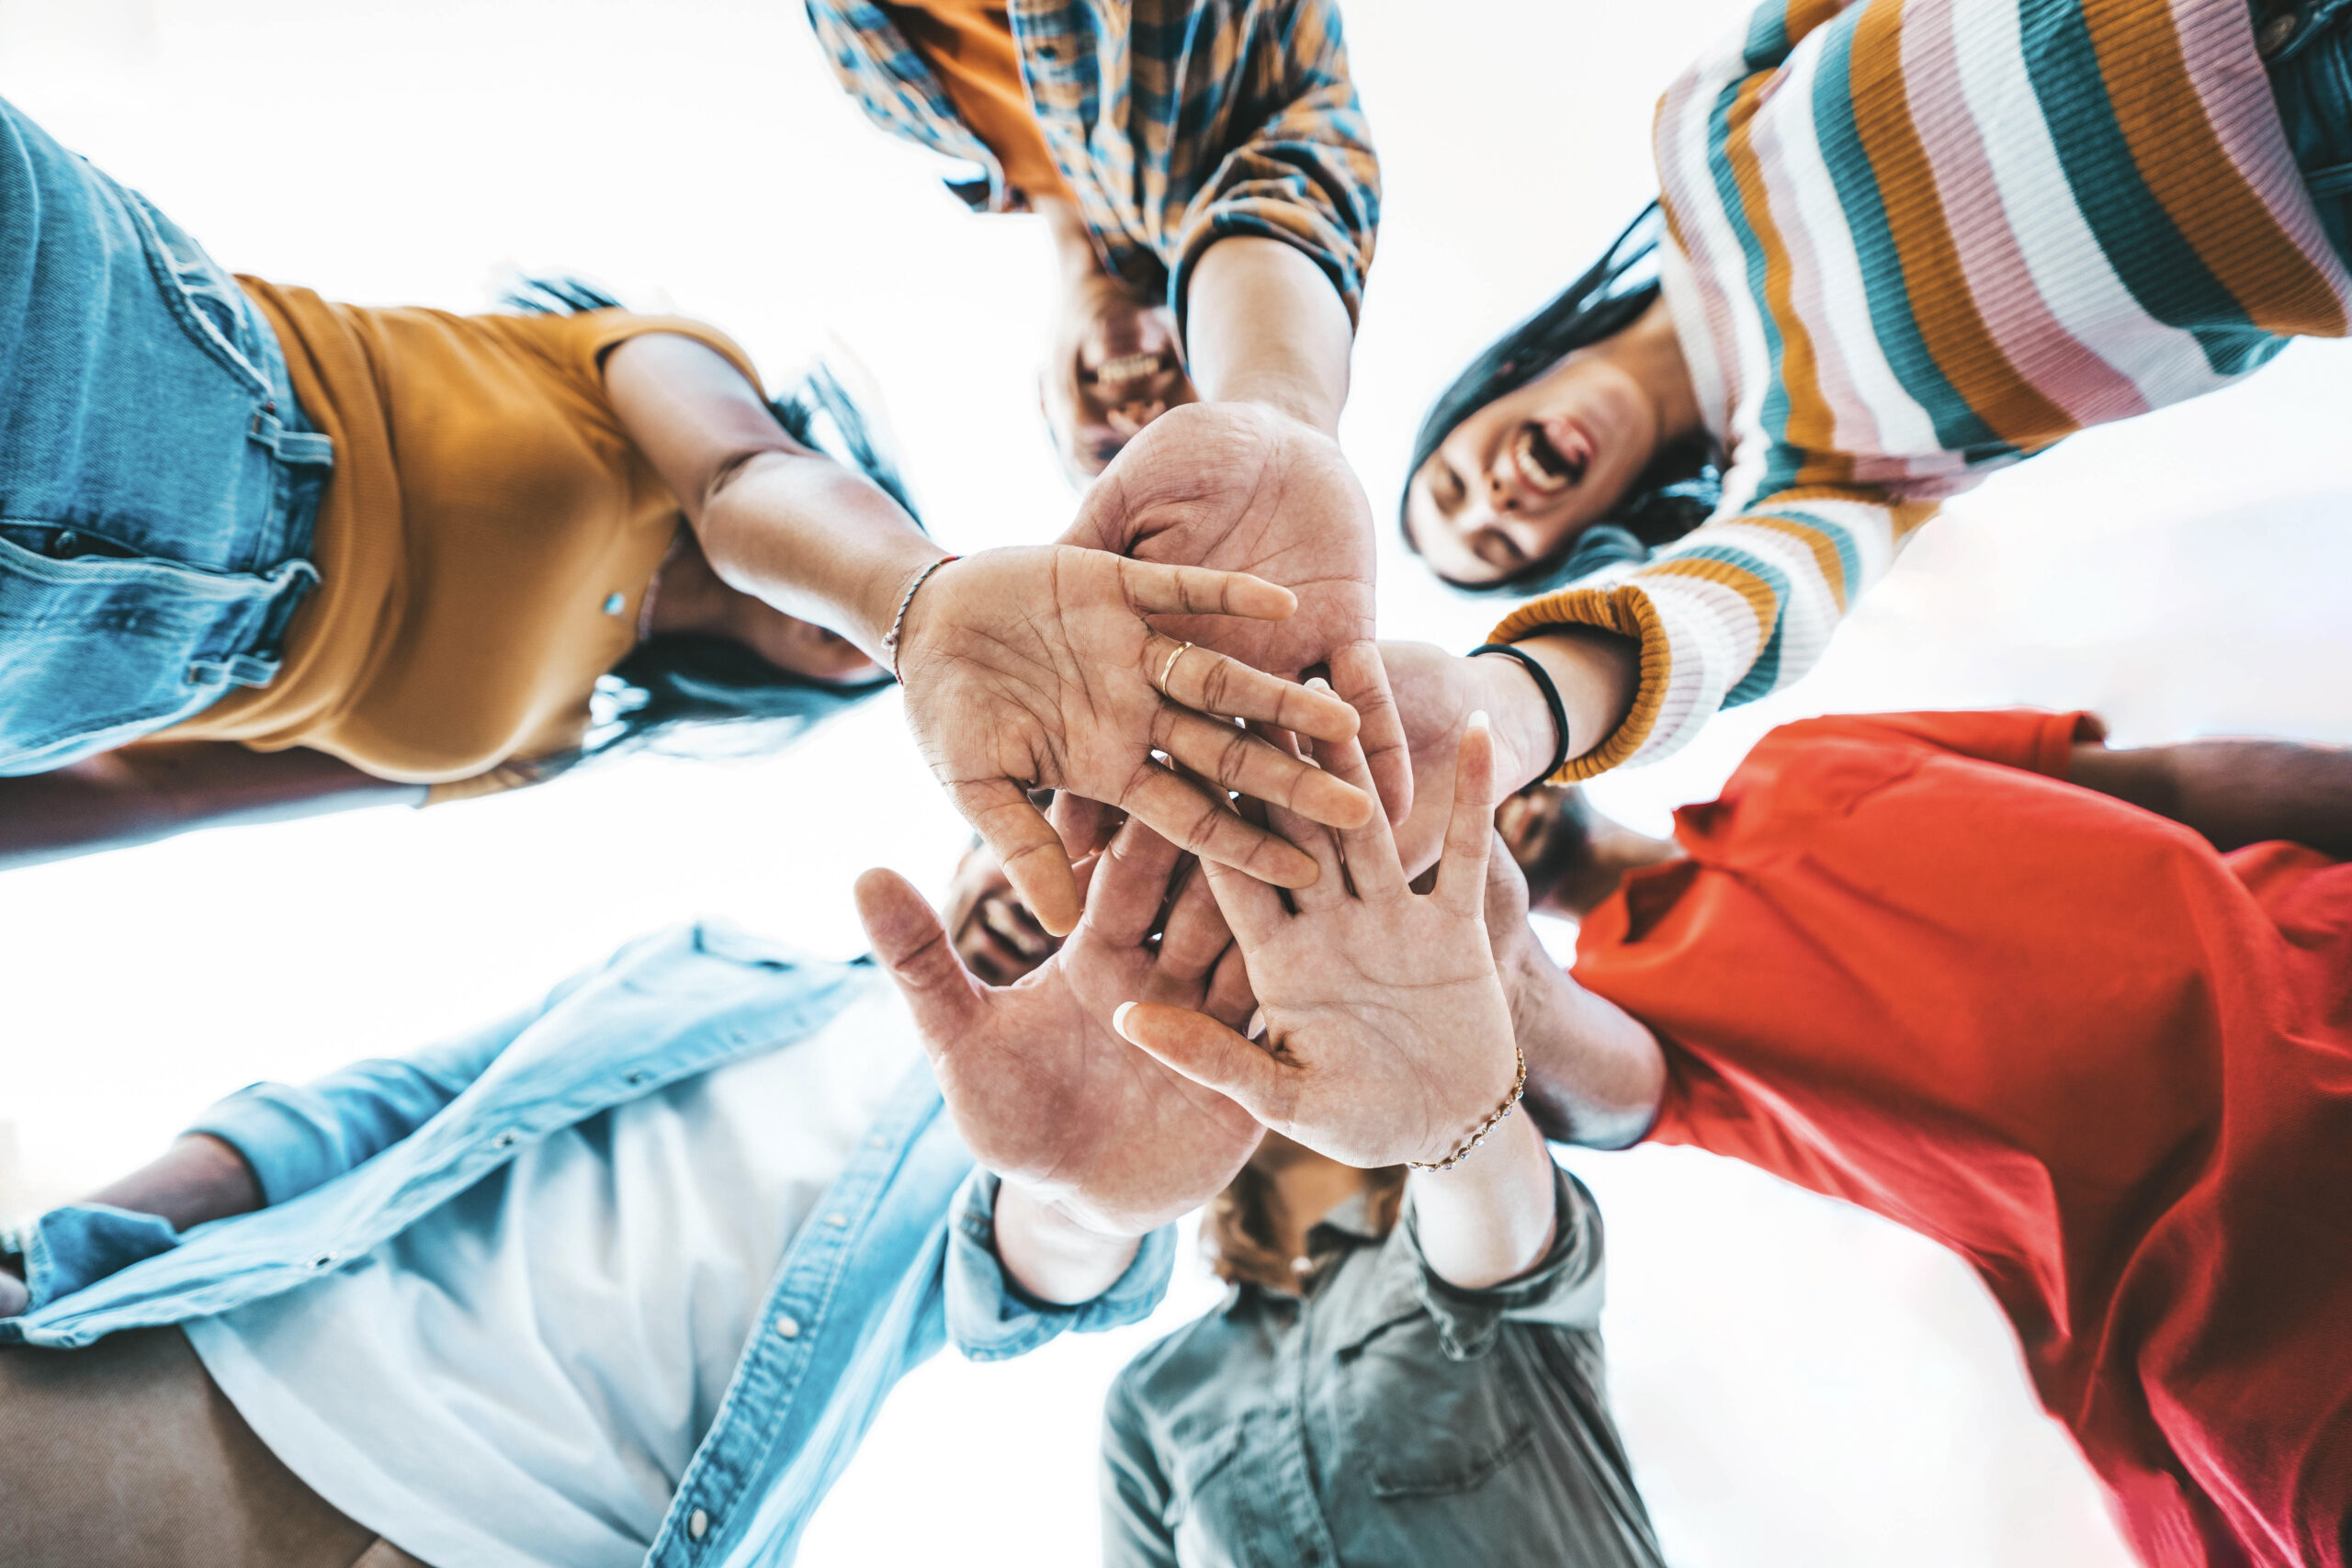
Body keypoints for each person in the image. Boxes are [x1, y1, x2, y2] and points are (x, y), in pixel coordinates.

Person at [0, 95, 1379, 932]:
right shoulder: (661, 379)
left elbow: (165, 788)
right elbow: (740, 482)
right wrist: (915, 597)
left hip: (87, 669)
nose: (864, 650)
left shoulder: (544, 741)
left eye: (868, 668)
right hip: (161, 389)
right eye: (874, 631)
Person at [1128, 644, 2352, 1567]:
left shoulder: (1807, 757)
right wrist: (1470, 959)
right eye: (1435, 807)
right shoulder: (1621, 1011)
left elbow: (2170, 780)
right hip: (2239, 1303)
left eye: (1466, 767)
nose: (1474, 799)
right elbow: (1593, 1082)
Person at [0, 807, 1267, 1568]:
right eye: (1037, 834)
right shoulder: (702, 964)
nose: (1037, 893)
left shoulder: (1022, 1138)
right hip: (214, 1385)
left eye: (1101, 893)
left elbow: (1032, 1268)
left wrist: (1092, 1201)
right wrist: (53, 1253)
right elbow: (374, 1106)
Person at [1398, 0, 2352, 783]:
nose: (1493, 502)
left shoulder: (1696, 130)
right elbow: (1727, 619)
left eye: (1452, 485)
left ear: (1494, 388)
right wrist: (1513, 710)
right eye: (1501, 545)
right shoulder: (1803, 478)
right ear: (1576, 545)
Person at [802, 0, 1415, 823]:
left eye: (1103, 449)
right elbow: (1290, 192)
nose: (1136, 414)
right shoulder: (1207, 139)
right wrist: (1276, 412)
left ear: (1045, 397)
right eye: (1176, 420)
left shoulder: (895, 98)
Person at [1080, 709, 1663, 1565]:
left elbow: (1500, 1231)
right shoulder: (1154, 1400)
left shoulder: (1449, 1238)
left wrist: (1451, 1110)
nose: (1276, 1028)